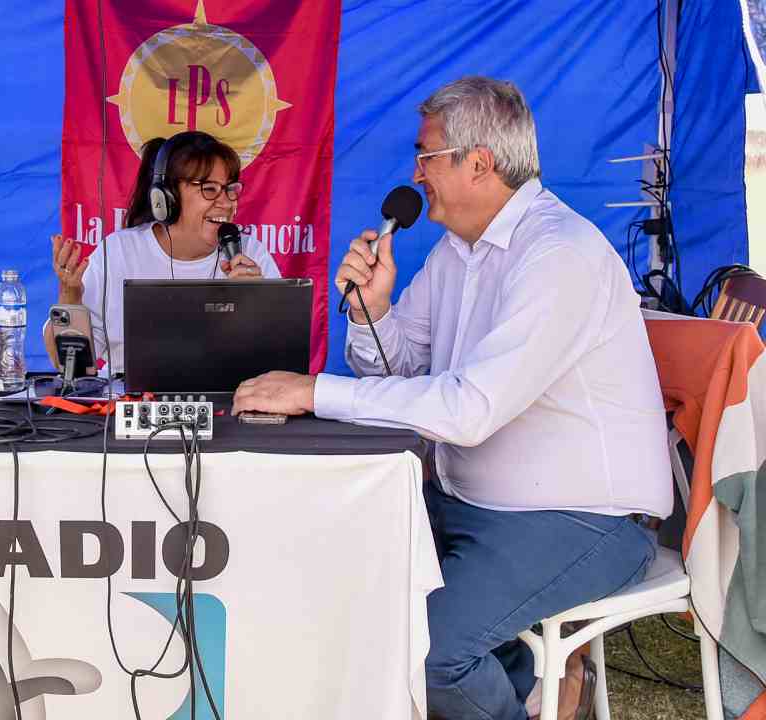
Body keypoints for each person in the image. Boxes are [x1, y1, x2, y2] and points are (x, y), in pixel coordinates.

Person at [232, 77, 672, 720]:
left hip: (582, 520)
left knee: (427, 654)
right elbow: (399, 367)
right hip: (467, 505)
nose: (416, 173)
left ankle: (521, 686)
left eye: (426, 156)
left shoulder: (559, 255)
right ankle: (527, 681)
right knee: (347, 585)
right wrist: (372, 311)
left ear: (479, 163)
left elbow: (468, 411)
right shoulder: (456, 251)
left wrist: (316, 392)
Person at [43, 130, 281, 372]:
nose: (227, 202)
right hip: (129, 395)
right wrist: (69, 298)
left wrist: (256, 306)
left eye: (230, 189)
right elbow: (73, 367)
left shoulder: (250, 254)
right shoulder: (118, 252)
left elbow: (280, 366)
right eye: (210, 189)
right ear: (167, 198)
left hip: (229, 395)